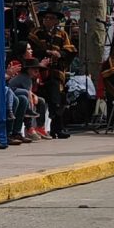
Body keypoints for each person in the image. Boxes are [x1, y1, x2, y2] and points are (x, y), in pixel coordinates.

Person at [28, 8, 75, 139]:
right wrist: (47, 52)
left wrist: (59, 54)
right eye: (46, 18)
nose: (48, 20)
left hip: (57, 70)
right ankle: (49, 127)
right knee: (54, 97)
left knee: (59, 97)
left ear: (56, 21)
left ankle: (57, 128)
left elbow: (70, 50)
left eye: (51, 18)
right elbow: (31, 50)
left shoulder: (62, 34)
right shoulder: (36, 33)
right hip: (40, 71)